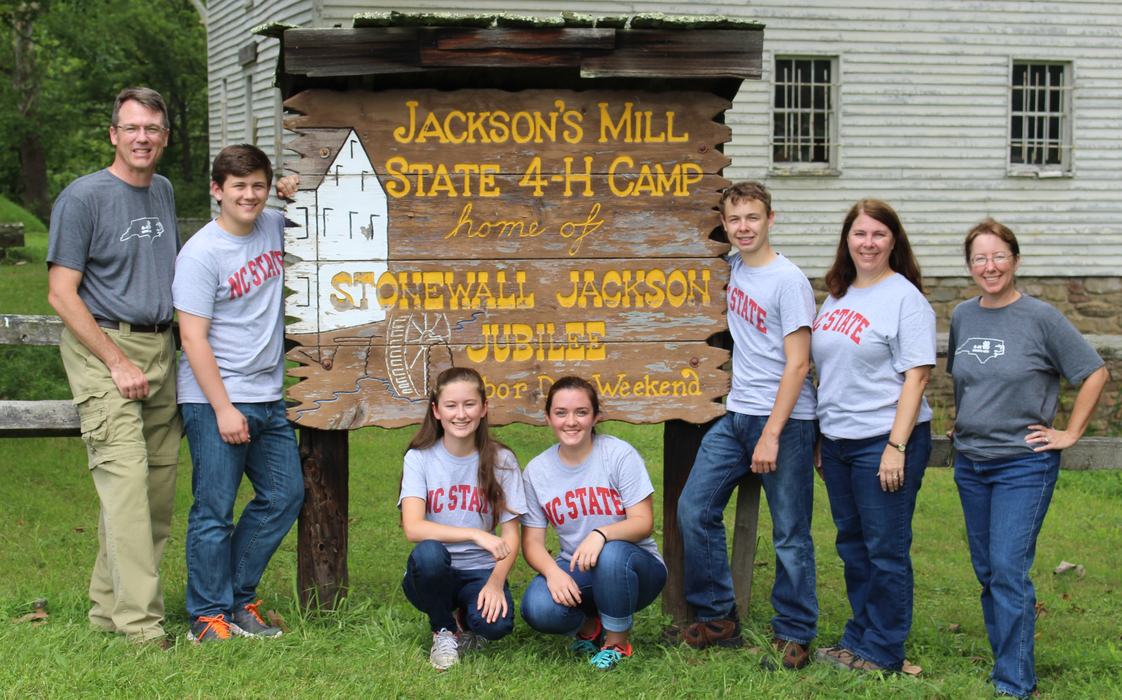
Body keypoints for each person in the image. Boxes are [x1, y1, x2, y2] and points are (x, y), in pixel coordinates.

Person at [948, 219, 1107, 699]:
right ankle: (1007, 661)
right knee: (987, 571)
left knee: (1007, 567)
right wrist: (964, 416)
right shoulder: (962, 316)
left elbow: (1094, 372)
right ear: (970, 265)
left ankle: (1014, 684)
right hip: (971, 462)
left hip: (1023, 463)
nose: (989, 266)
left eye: (998, 256)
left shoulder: (1041, 318)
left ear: (1015, 260)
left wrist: (1071, 432)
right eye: (980, 258)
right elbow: (965, 376)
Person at [47, 87, 181, 646]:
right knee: (125, 483)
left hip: (160, 350)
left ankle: (107, 608)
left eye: (152, 128)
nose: (142, 137)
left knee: (154, 492)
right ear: (113, 135)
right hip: (105, 350)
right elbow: (60, 293)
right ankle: (141, 626)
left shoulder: (164, 193)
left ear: (164, 138)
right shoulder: (83, 198)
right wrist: (117, 359)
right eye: (131, 128)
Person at [676, 182, 819, 669]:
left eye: (753, 218)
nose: (743, 228)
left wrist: (773, 433)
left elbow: (799, 365)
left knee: (790, 532)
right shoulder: (731, 269)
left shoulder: (789, 280)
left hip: (786, 421)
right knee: (694, 509)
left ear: (770, 220)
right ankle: (719, 616)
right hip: (736, 414)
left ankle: (795, 631)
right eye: (735, 219)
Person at [174, 145, 305, 643]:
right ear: (217, 190)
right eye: (238, 186)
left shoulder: (273, 225)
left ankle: (236, 597)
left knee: (285, 495)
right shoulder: (202, 253)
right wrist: (224, 408)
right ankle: (206, 617)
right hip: (215, 399)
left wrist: (297, 188)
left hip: (269, 395)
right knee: (214, 509)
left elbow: (319, 212)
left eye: (258, 185)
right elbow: (192, 337)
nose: (249, 195)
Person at [810, 199, 935, 672]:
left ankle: (882, 650)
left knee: (885, 548)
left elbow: (917, 377)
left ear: (893, 241)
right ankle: (860, 636)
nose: (868, 243)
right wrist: (824, 437)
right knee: (853, 545)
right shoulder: (838, 294)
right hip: (839, 442)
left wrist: (895, 447)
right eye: (860, 234)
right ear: (847, 239)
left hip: (883, 441)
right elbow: (832, 371)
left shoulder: (906, 299)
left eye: (879, 234)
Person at [520, 376, 667, 671]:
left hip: (635, 568)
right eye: (561, 413)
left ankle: (617, 642)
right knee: (536, 606)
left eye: (581, 412)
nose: (571, 421)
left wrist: (601, 533)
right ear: (548, 417)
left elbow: (643, 522)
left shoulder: (618, 454)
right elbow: (532, 543)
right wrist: (552, 573)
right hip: (578, 569)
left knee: (610, 553)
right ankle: (591, 624)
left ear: (596, 416)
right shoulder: (537, 471)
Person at [398, 366, 527, 671]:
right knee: (429, 553)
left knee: (496, 626)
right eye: (451, 405)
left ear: (484, 408)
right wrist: (474, 533)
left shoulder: (502, 459)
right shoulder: (419, 457)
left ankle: (467, 622)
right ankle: (443, 630)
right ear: (436, 411)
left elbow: (511, 536)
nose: (461, 414)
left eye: (469, 404)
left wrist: (496, 583)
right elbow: (413, 527)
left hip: (480, 571)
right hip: (433, 572)